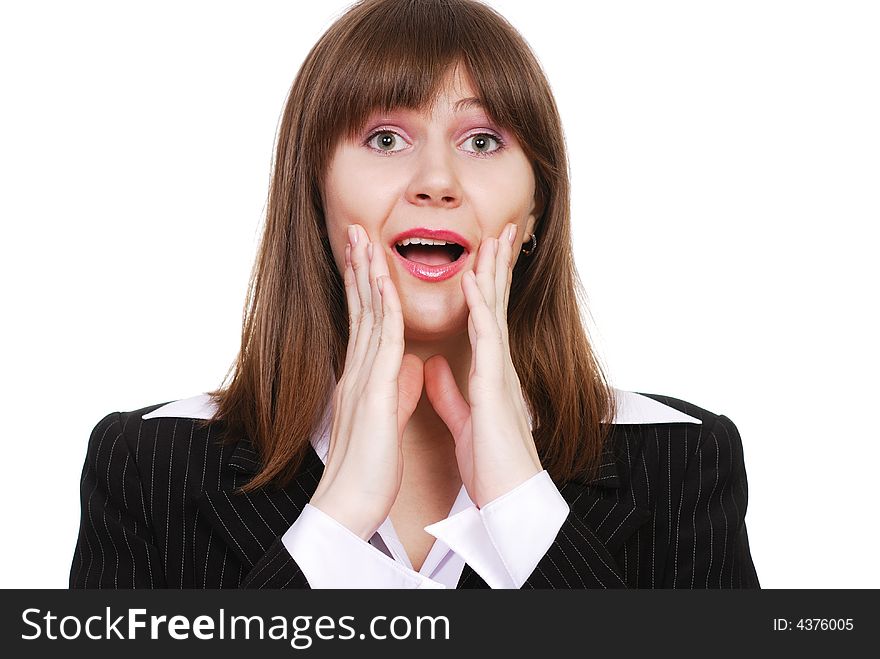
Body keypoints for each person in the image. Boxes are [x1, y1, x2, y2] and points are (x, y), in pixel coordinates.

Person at [69, 0, 759, 589]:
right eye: (387, 137)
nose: (437, 180)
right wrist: (334, 521)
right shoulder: (146, 465)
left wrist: (522, 502)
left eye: (483, 140)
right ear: (316, 195)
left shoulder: (685, 463)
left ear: (536, 211)